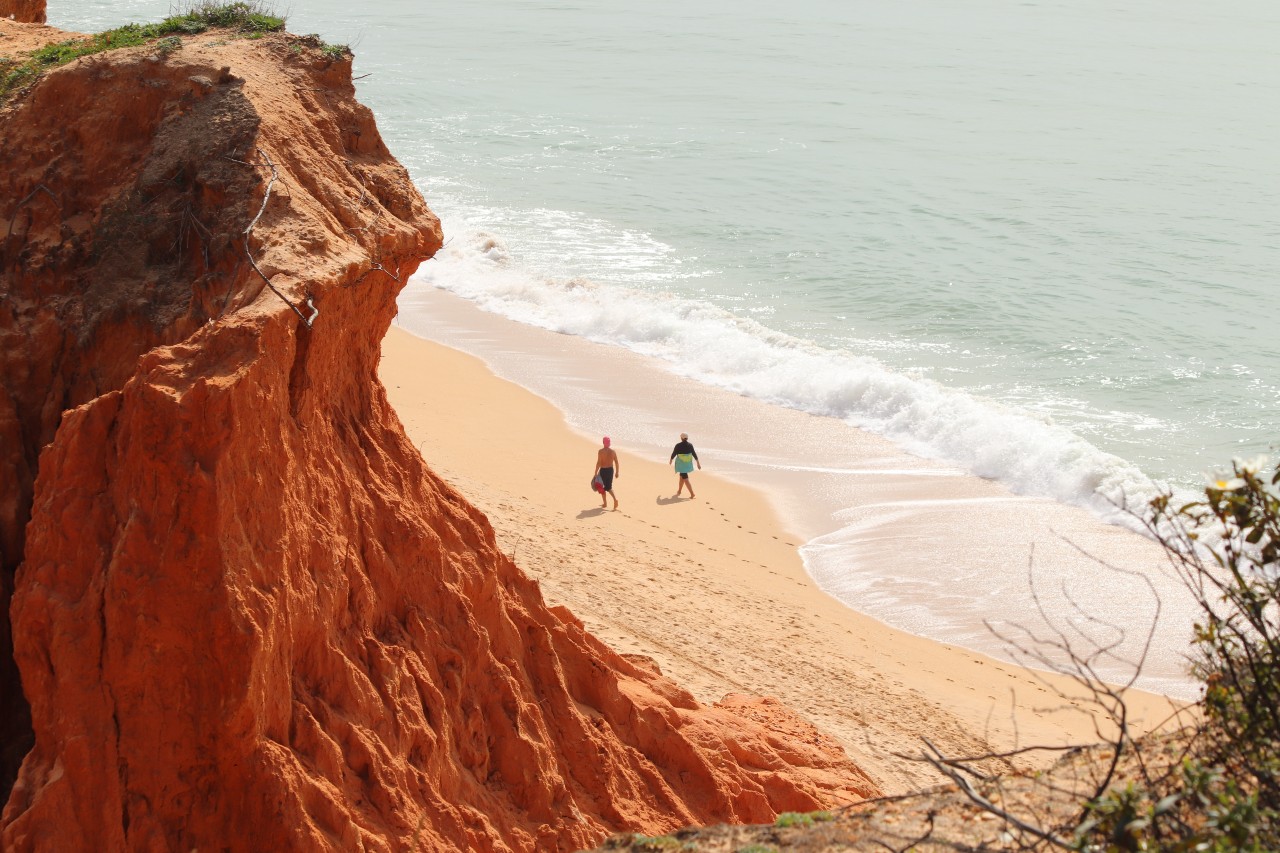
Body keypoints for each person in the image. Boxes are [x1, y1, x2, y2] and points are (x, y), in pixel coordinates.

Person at [668, 432, 701, 498]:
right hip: (687, 463)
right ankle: (679, 491)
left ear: (681, 438)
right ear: (687, 438)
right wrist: (698, 463)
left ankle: (692, 493)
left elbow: (674, 453)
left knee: (685, 478)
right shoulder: (690, 445)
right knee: (681, 477)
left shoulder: (678, 445)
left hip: (681, 464)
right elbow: (694, 454)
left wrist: (671, 459)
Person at [594, 436, 620, 510]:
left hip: (603, 471)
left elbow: (598, 463)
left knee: (601, 487)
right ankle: (615, 499)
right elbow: (617, 463)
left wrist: (595, 472)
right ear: (609, 443)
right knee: (609, 487)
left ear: (603, 443)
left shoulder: (601, 451)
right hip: (611, 470)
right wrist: (617, 472)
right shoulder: (613, 452)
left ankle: (605, 503)